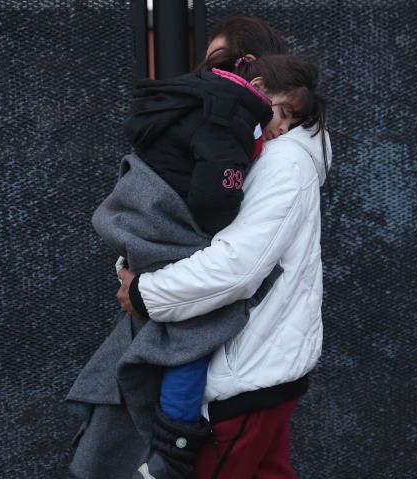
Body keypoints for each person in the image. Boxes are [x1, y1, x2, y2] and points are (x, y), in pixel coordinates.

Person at [117, 26, 330, 479]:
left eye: (219, 62)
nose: (207, 75)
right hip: (260, 368)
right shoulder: (259, 149)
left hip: (242, 372)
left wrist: (144, 293)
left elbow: (235, 267)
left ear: (252, 72)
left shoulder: (280, 162)